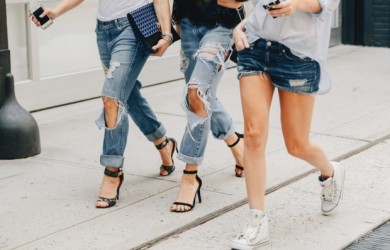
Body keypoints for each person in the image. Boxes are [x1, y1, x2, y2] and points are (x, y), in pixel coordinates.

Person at [31, 0, 178, 208]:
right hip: (104, 29)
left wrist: (166, 34)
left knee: (112, 98)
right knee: (125, 94)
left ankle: (112, 171)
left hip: (133, 27)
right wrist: (56, 11)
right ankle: (163, 142)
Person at [230, 0, 344, 248]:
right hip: (255, 48)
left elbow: (324, 5)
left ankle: (331, 172)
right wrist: (240, 26)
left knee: (297, 145)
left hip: (298, 56)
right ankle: (256, 218)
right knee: (253, 134)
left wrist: (297, 4)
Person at [169, 0, 248, 213]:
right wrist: (176, 20)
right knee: (203, 96)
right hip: (188, 22)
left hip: (222, 25)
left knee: (197, 94)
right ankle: (236, 142)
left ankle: (190, 177)